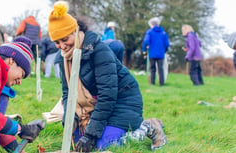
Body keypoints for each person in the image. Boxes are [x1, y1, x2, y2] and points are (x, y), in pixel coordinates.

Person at [49, 1, 166, 152]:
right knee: (79, 145)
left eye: (65, 39)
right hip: (98, 106)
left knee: (105, 145)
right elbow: (68, 94)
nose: (62, 46)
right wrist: (70, 121)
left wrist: (91, 134)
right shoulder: (63, 59)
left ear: (76, 31)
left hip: (122, 102)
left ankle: (148, 127)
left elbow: (108, 94)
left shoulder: (99, 51)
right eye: (56, 42)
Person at [142, 17, 170, 86]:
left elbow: (146, 41)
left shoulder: (149, 32)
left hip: (152, 53)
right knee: (161, 69)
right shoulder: (163, 33)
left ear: (152, 25)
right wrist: (165, 50)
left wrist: (144, 50)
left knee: (152, 68)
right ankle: (161, 83)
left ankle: (152, 83)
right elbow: (167, 44)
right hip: (161, 54)